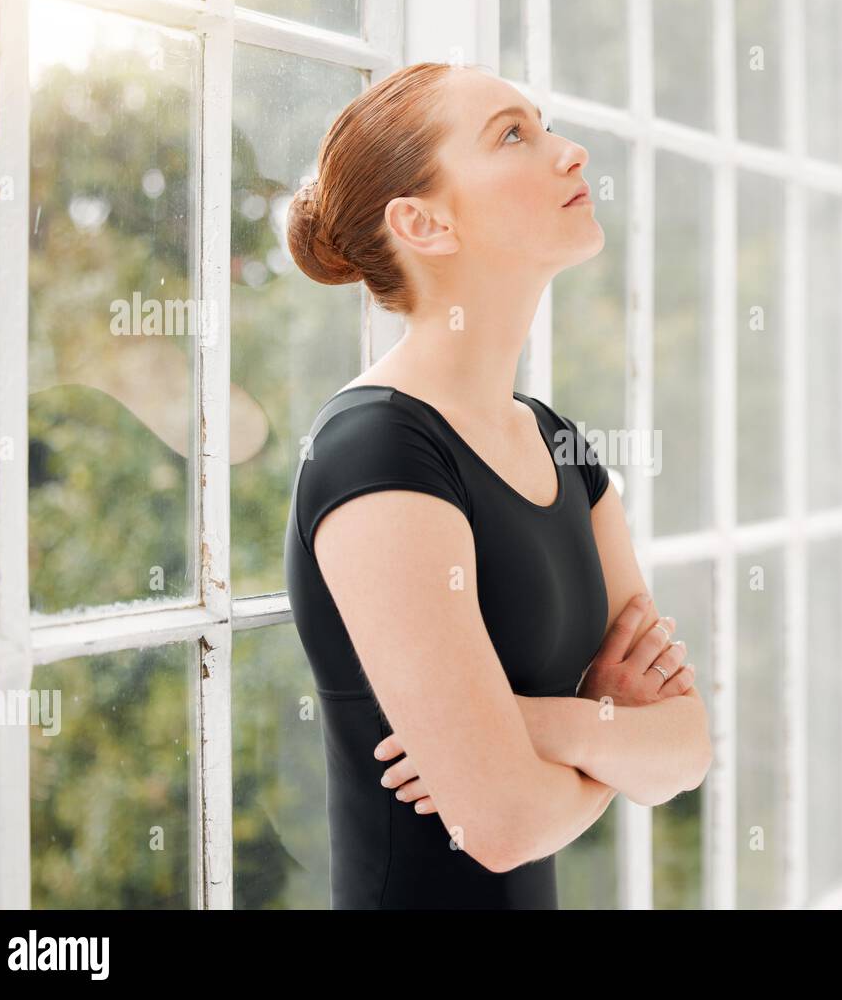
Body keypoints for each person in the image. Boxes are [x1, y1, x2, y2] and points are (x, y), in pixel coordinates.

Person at [282, 61, 712, 909]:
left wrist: (531, 726)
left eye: (543, 126)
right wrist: (608, 732)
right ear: (424, 222)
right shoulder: (375, 450)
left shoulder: (557, 441)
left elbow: (689, 748)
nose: (572, 152)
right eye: (514, 135)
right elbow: (504, 822)